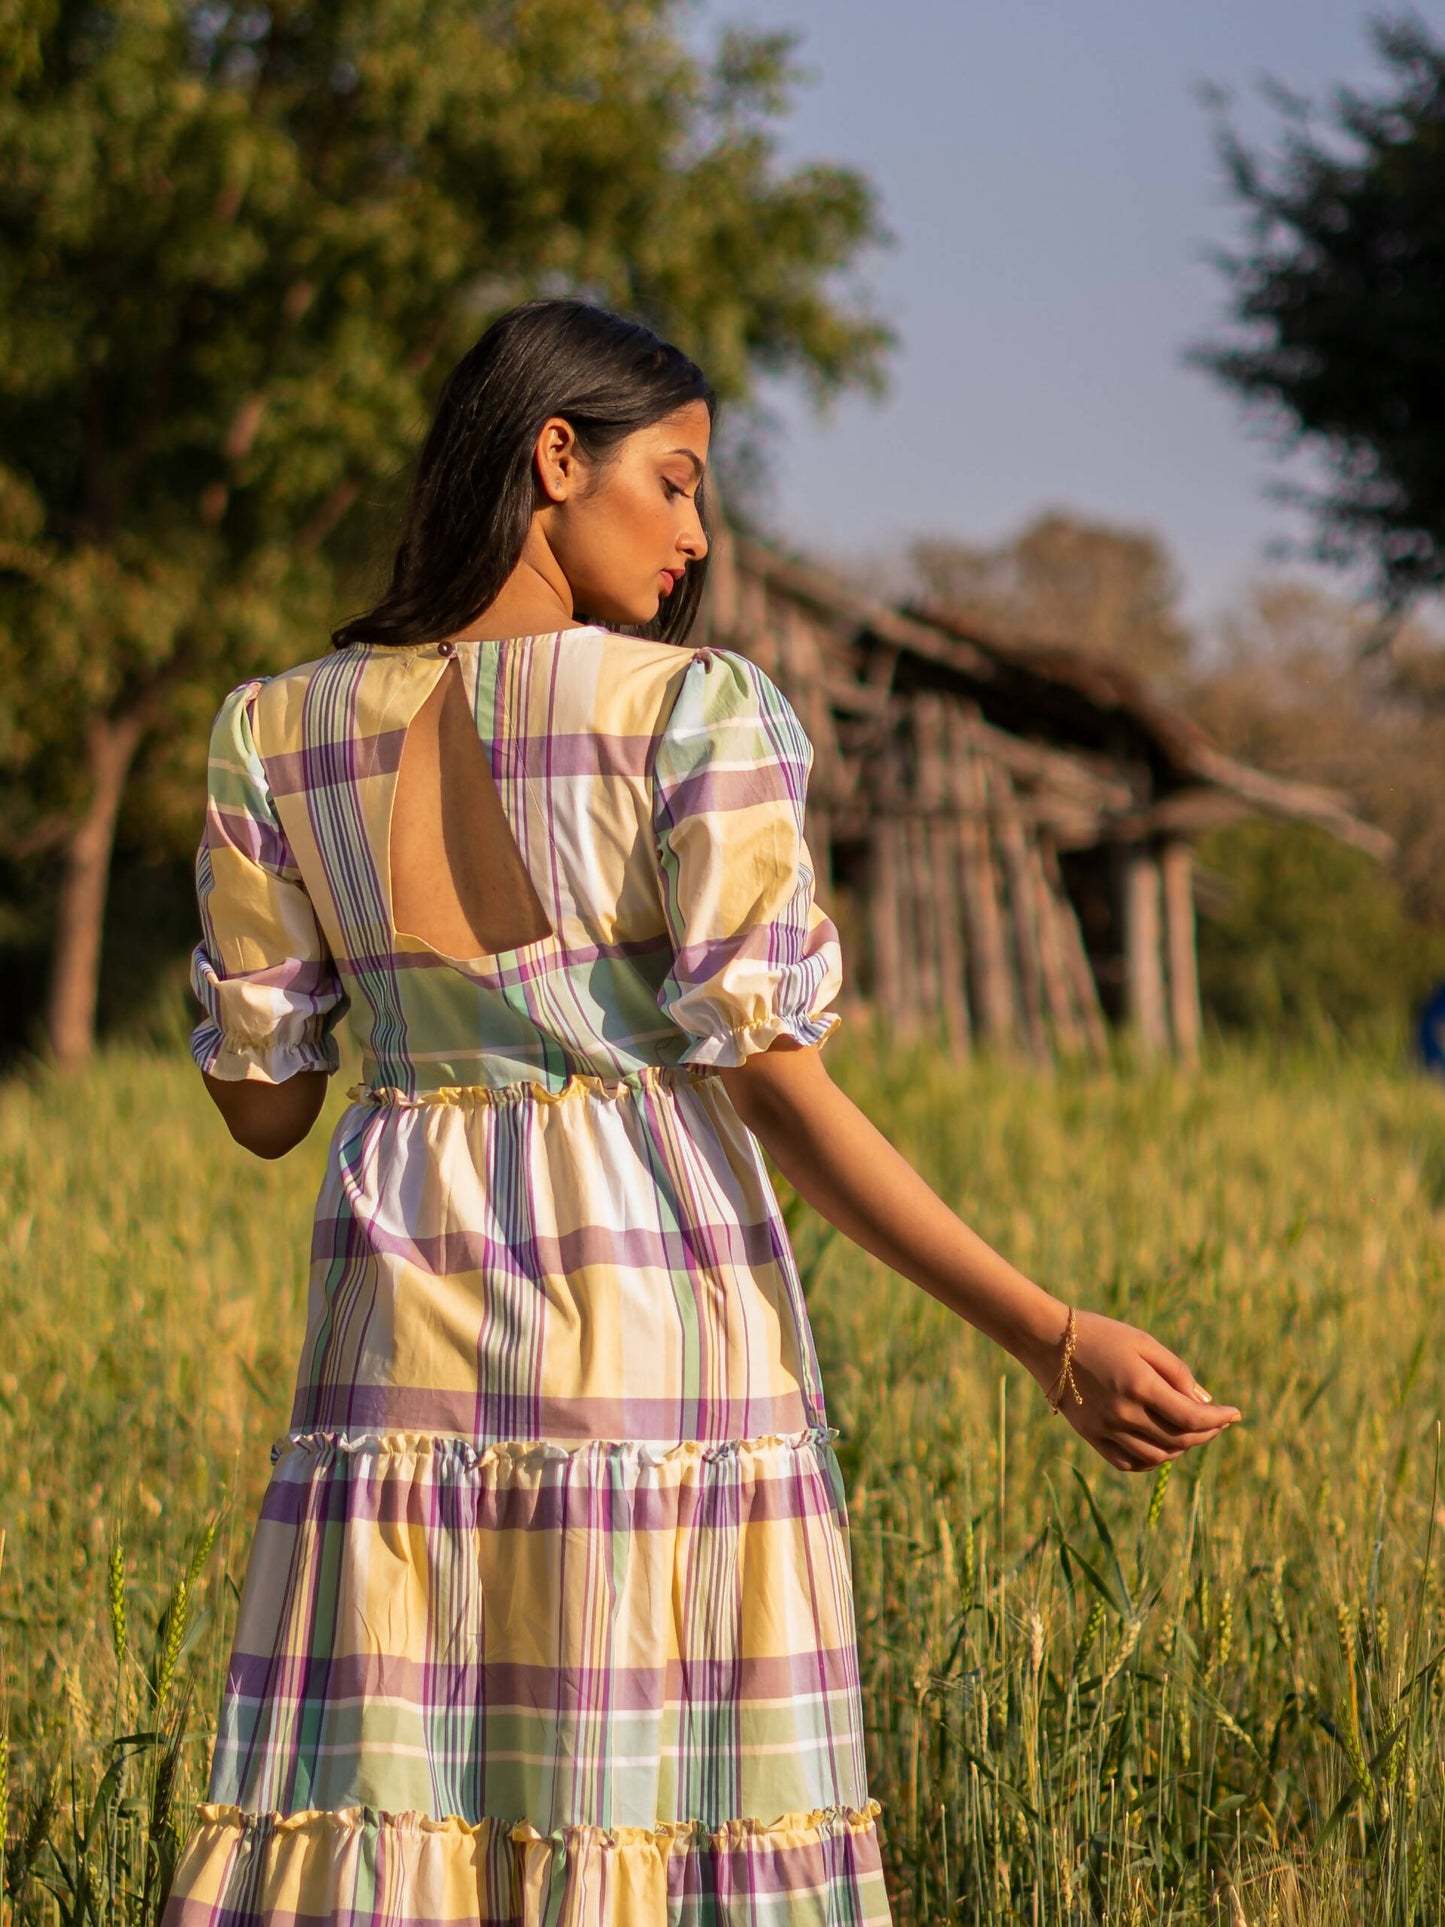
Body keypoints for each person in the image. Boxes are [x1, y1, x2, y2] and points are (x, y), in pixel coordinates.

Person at [163, 300, 1240, 1927]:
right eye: (672, 481)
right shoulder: (685, 713)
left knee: (400, 1783)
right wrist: (1044, 1330)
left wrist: (375, 980)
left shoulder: (277, 730)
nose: (697, 533)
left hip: (396, 1343)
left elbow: (263, 1109)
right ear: (552, 456)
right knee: (653, 1800)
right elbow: (779, 1093)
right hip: (652, 1331)